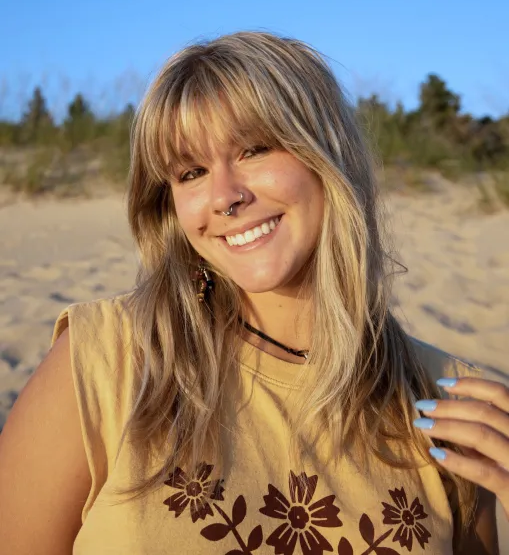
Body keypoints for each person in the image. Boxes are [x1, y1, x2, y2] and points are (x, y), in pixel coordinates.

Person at [0, 31, 505, 555]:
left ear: (328, 153)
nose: (224, 196)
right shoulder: (102, 362)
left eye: (254, 149)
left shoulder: (446, 400)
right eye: (191, 172)